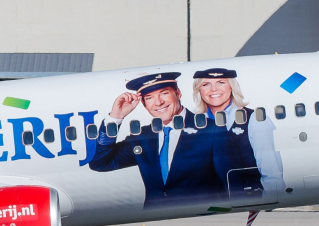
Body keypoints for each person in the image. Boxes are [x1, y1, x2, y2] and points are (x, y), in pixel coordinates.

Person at [89, 71, 224, 208]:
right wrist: (116, 117)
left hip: (202, 219)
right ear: (144, 104)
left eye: (164, 93)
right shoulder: (142, 137)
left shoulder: (211, 130)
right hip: (156, 222)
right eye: (149, 98)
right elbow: (100, 163)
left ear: (178, 93)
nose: (158, 103)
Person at [189, 68, 283, 199]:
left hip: (248, 200)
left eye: (221, 82)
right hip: (211, 205)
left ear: (232, 87)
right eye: (206, 84)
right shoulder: (195, 124)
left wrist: (269, 201)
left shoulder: (255, 119)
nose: (214, 89)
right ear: (199, 90)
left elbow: (271, 169)